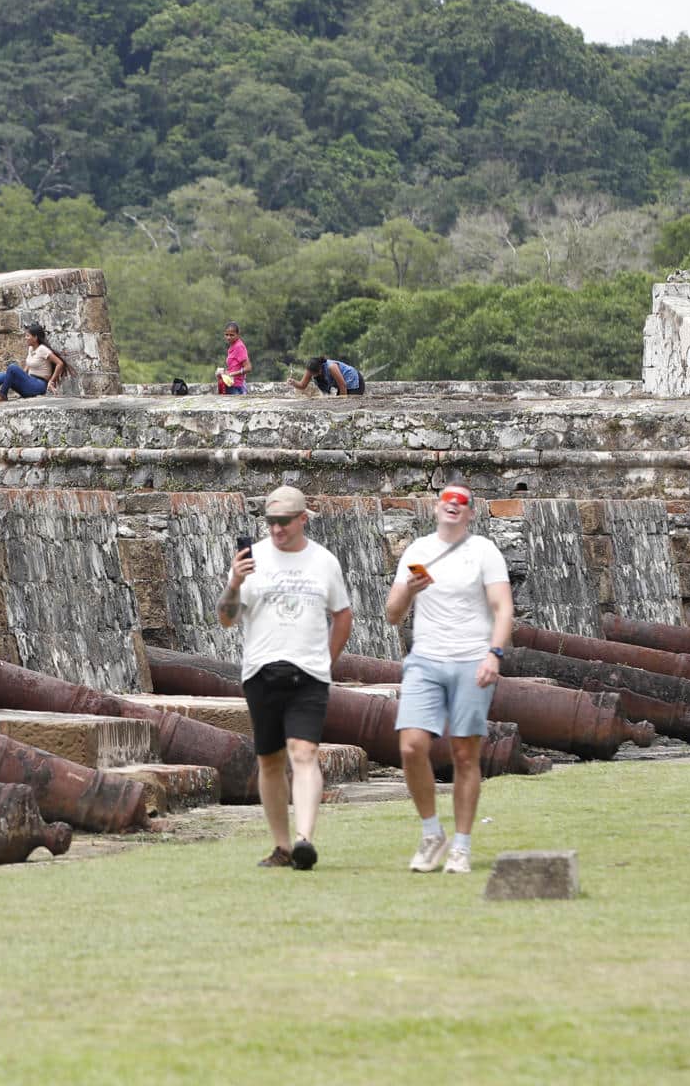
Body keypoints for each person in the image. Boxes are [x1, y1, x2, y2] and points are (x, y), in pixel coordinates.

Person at [217, 485, 353, 871]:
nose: (277, 530)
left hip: (308, 673)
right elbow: (226, 619)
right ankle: (281, 846)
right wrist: (234, 584)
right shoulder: (251, 559)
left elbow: (342, 615)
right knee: (270, 760)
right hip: (261, 669)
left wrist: (327, 661)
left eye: (285, 522)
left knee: (304, 752)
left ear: (303, 520)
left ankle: (304, 839)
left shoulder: (323, 561)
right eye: (271, 522)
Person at [383, 479, 514, 875]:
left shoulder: (483, 552)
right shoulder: (419, 551)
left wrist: (494, 654)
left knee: (463, 754)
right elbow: (392, 613)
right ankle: (430, 832)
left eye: (462, 502)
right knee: (410, 746)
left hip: (471, 659)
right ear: (437, 508)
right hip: (425, 658)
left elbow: (503, 607)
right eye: (447, 500)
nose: (453, 505)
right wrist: (408, 588)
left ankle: (461, 844)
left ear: (470, 513)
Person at [0, 323, 66, 403]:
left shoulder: (42, 349)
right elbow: (28, 365)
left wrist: (51, 381)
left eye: (28, 336)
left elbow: (59, 363)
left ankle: (3, 395)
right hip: (29, 383)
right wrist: (23, 376)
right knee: (2, 375)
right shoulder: (31, 348)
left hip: (38, 386)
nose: (25, 338)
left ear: (35, 338)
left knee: (12, 367)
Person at [289, 355, 365, 397]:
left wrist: (342, 404)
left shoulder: (331, 367)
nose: (311, 376)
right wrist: (293, 382)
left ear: (320, 369)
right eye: (310, 373)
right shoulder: (310, 369)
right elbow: (302, 385)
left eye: (314, 374)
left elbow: (343, 386)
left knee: (347, 404)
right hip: (342, 385)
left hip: (355, 382)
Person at [216, 323, 251, 394]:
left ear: (238, 335)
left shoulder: (239, 347)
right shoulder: (232, 346)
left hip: (237, 386)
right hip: (231, 384)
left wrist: (231, 374)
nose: (228, 337)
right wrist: (223, 373)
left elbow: (248, 368)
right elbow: (234, 367)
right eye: (226, 335)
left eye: (232, 335)